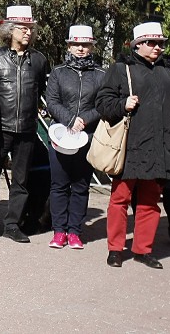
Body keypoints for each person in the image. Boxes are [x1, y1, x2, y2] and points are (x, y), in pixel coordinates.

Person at [96, 22, 170, 270]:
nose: (158, 47)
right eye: (152, 43)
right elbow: (103, 102)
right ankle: (115, 249)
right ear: (137, 45)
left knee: (150, 202)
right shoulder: (121, 68)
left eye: (161, 43)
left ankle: (142, 250)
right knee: (120, 199)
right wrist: (122, 104)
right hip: (130, 145)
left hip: (161, 146)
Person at [0, 5, 49, 243]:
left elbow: (42, 91)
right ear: (10, 30)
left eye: (30, 28)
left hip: (27, 131)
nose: (28, 32)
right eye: (23, 28)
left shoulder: (39, 60)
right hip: (0, 129)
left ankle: (12, 224)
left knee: (21, 181)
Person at [45, 25, 105, 250]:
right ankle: (59, 231)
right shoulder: (59, 72)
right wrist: (70, 120)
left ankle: (75, 232)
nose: (81, 48)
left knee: (81, 185)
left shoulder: (101, 75)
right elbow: (52, 101)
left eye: (85, 44)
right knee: (59, 185)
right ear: (69, 46)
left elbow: (102, 104)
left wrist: (84, 120)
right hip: (60, 134)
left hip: (87, 136)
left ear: (92, 47)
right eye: (76, 44)